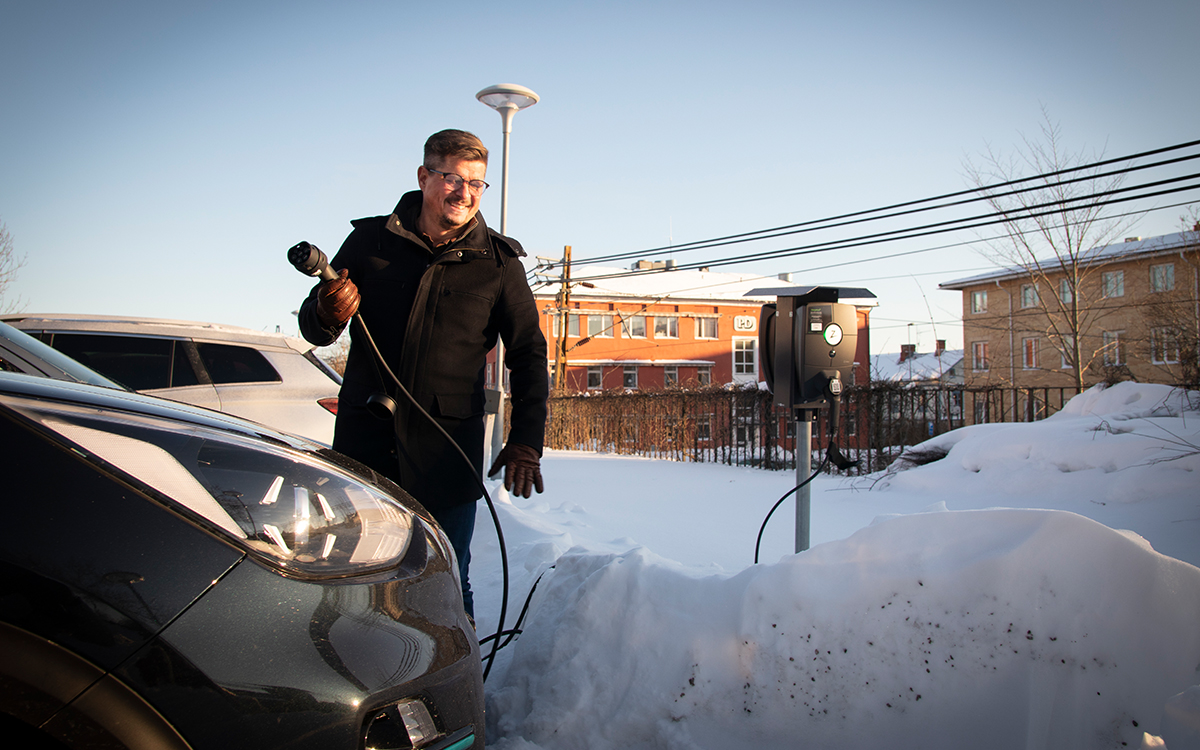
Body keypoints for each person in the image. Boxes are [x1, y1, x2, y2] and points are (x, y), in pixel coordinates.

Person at [297, 129, 549, 618]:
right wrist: (327, 311)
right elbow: (317, 329)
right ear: (424, 176)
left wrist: (526, 441)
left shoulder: (497, 263)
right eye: (453, 178)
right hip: (364, 447)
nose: (465, 193)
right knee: (353, 579)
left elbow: (527, 354)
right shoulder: (371, 241)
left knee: (445, 580)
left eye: (477, 183)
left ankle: (462, 690)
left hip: (445, 455)